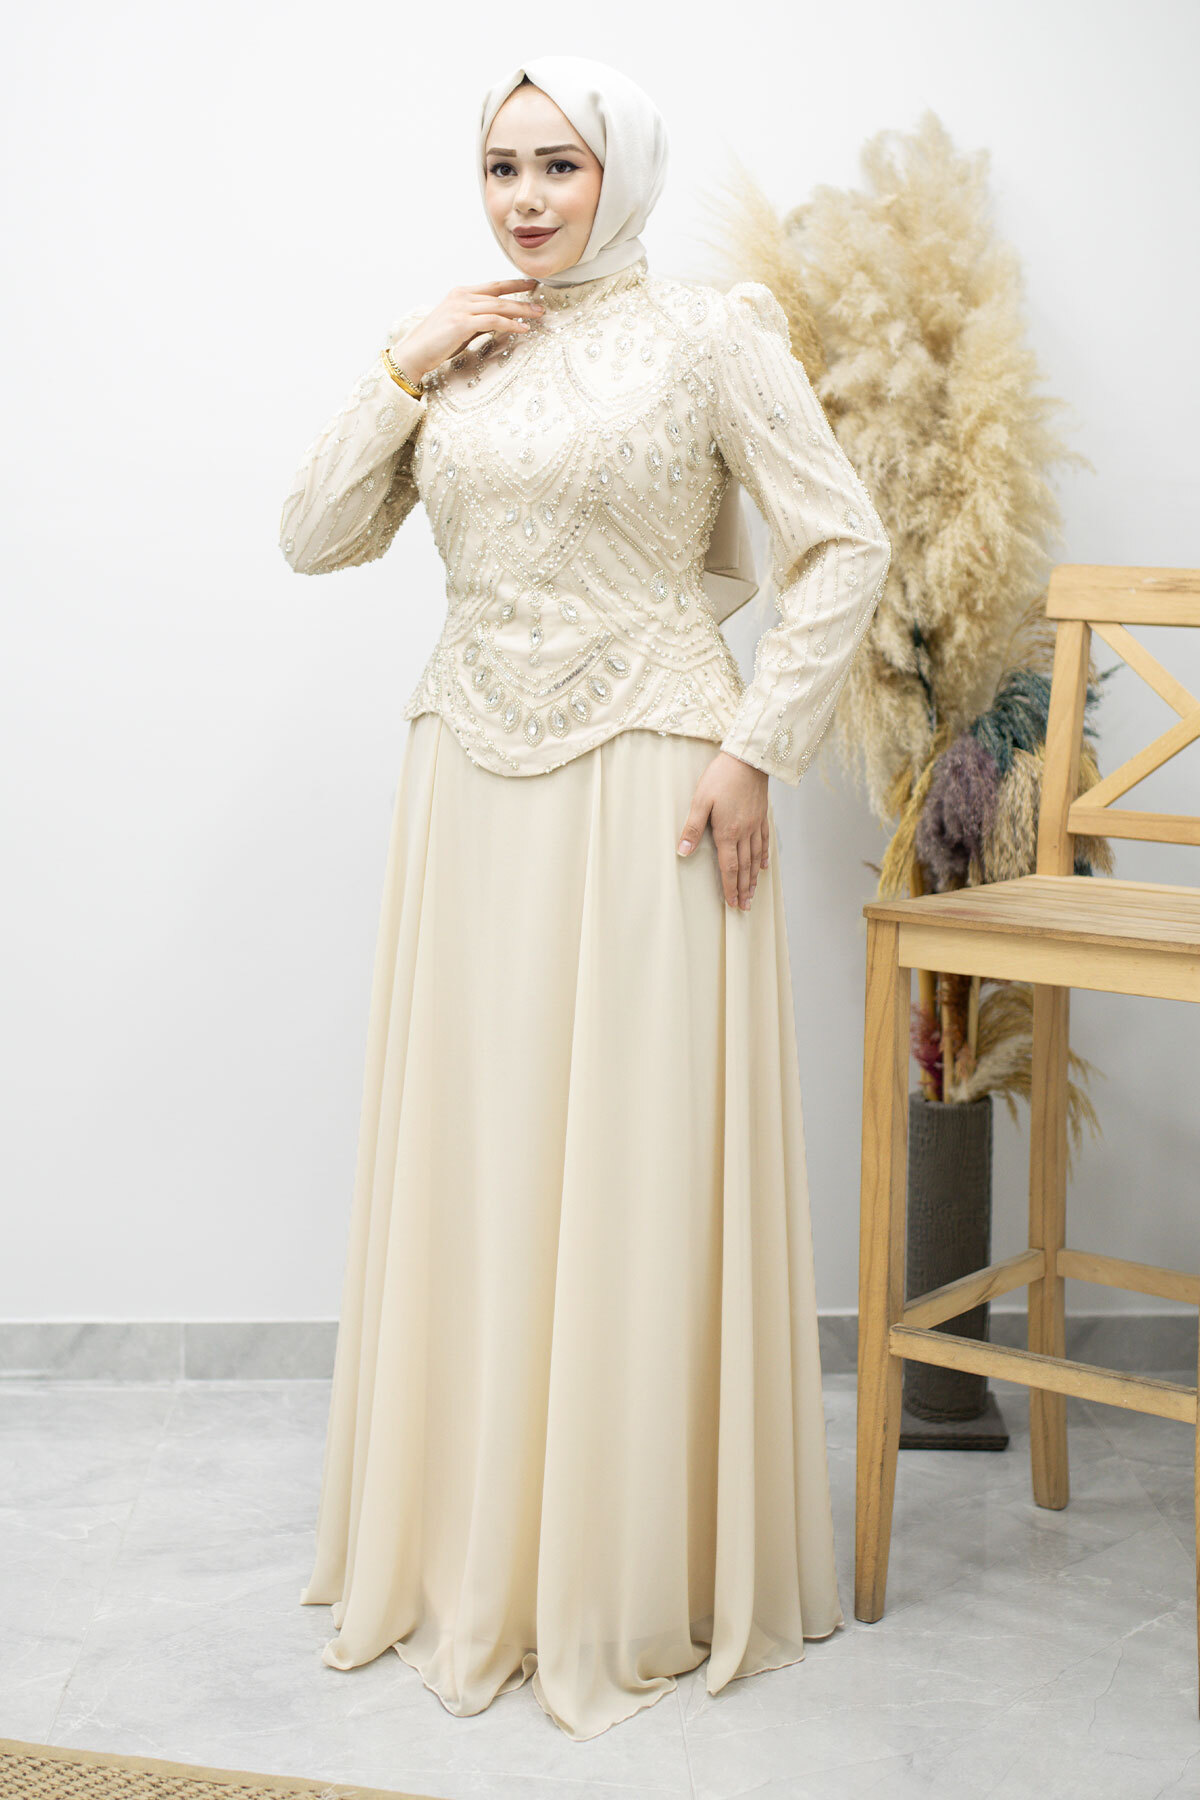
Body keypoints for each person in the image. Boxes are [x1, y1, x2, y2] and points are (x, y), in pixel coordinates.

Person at [280, 53, 891, 1742]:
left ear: (622, 171)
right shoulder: (456, 349)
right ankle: (470, 1549)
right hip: (467, 782)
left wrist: (758, 745)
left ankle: (622, 1567)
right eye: (503, 167)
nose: (529, 197)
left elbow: (843, 541)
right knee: (479, 1149)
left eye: (560, 164)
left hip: (654, 782)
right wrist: (401, 365)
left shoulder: (712, 334)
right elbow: (311, 535)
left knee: (629, 1148)